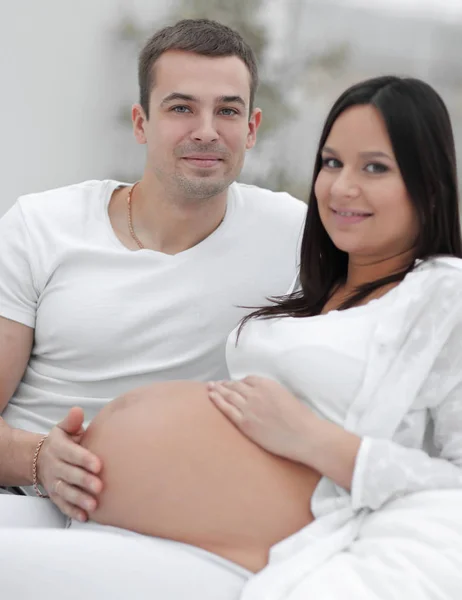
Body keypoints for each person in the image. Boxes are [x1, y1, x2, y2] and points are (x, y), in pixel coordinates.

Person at [21, 74, 460, 600]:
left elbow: (451, 484)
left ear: (428, 182)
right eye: (331, 162)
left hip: (267, 553)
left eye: (375, 168)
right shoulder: (316, 289)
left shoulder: (444, 296)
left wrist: (311, 438)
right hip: (124, 517)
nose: (342, 187)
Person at [0, 18, 306, 522]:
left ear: (251, 129)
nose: (206, 131)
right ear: (141, 122)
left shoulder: (295, 235)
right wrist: (39, 460)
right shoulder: (42, 226)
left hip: (173, 519)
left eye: (227, 110)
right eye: (181, 107)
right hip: (26, 503)